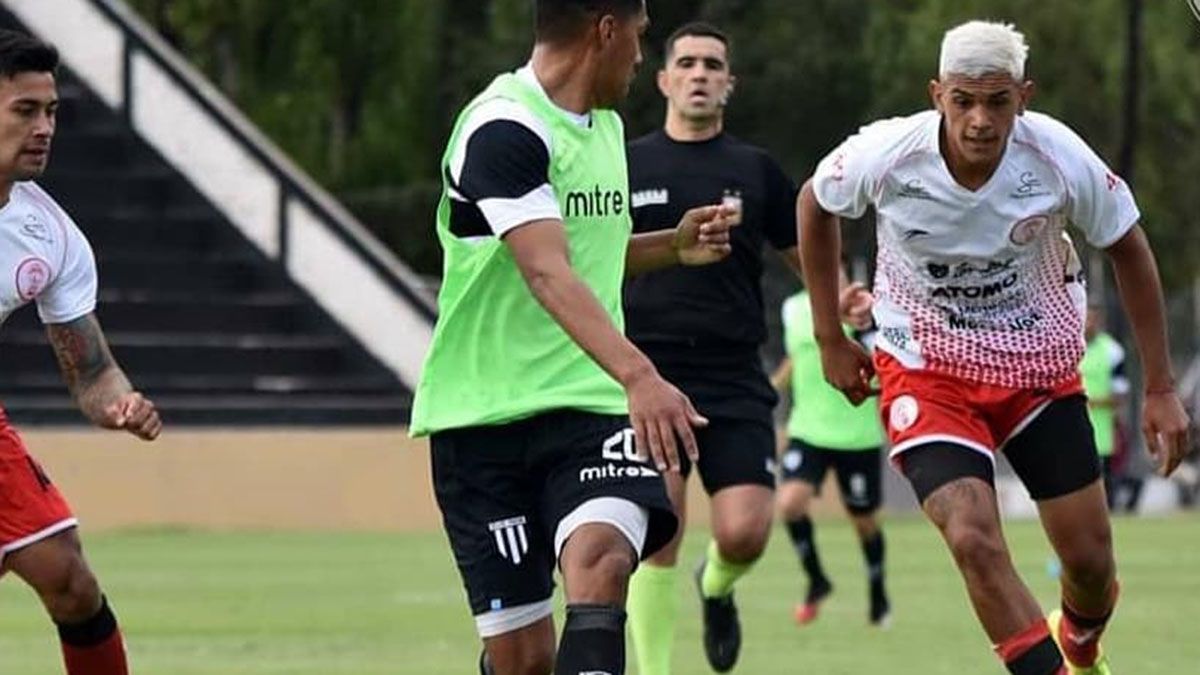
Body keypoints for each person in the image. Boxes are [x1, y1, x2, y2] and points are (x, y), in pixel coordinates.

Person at [797, 20, 1189, 675]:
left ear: (1023, 96)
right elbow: (814, 203)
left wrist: (1158, 386)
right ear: (937, 95)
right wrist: (829, 337)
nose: (980, 119)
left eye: (997, 101)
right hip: (926, 369)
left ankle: (1082, 642)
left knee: (1090, 566)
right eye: (963, 100)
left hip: (1037, 367)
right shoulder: (888, 153)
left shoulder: (1058, 157)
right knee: (973, 537)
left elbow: (1128, 245)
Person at [408, 3, 735, 674]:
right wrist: (642, 374)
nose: (644, 59)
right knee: (524, 660)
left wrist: (668, 247)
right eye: (641, 36)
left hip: (590, 408)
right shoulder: (503, 128)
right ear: (604, 29)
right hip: (483, 419)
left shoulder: (605, 129)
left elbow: (581, 257)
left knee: (603, 560)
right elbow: (543, 268)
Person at [621, 22, 802, 674]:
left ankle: (717, 584)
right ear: (664, 79)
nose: (700, 73)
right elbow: (587, 260)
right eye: (687, 63)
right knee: (658, 524)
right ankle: (657, 669)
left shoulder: (755, 170)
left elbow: (806, 257)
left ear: (730, 84)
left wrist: (845, 304)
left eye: (713, 65)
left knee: (745, 531)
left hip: (733, 374)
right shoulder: (625, 162)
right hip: (651, 372)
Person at [0, 30, 162, 675]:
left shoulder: (51, 236)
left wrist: (120, 403)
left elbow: (90, 370)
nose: (44, 128)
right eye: (25, 111)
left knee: (68, 578)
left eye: (52, 111)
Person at [772, 271, 890, 629]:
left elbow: (882, 361)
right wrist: (772, 387)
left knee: (864, 522)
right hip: (808, 428)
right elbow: (798, 354)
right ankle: (817, 580)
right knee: (790, 503)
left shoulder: (861, 309)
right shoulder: (791, 308)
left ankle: (878, 591)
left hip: (856, 433)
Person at [1080, 302, 1129, 508]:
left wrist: (1087, 401)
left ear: (1099, 321)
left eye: (1092, 318)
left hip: (1103, 432)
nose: (1087, 323)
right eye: (1085, 317)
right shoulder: (1066, 345)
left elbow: (1120, 395)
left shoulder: (1112, 351)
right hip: (1071, 429)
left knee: (1103, 491)